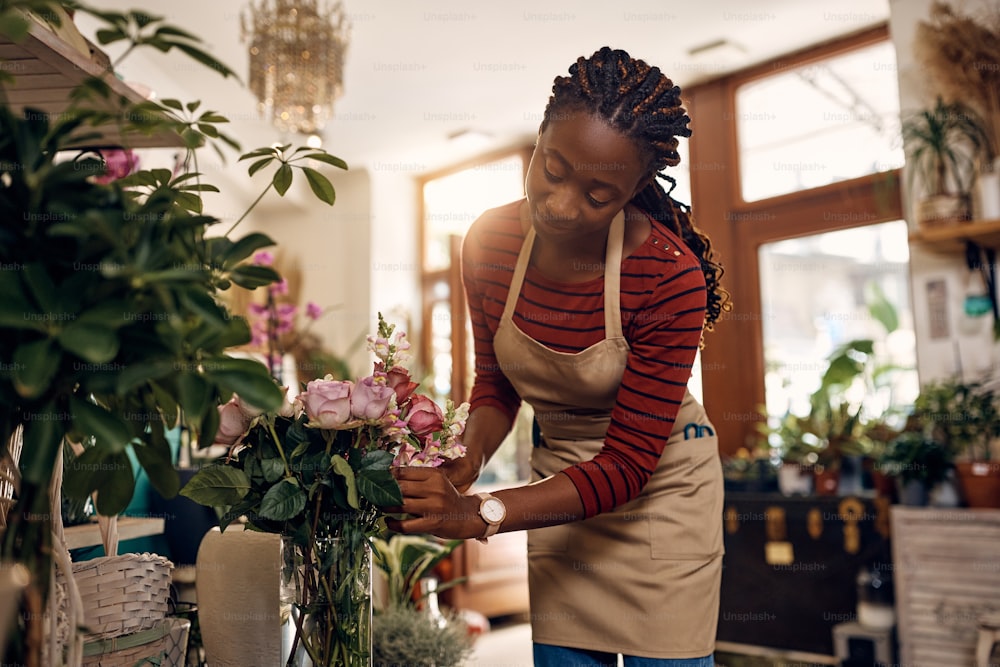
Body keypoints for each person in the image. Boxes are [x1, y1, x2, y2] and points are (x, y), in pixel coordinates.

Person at [389, 46, 731, 667]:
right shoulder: (489, 242)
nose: (562, 204)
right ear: (540, 136)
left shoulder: (666, 277)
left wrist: (479, 513)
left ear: (635, 189)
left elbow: (628, 463)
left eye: (600, 194)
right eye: (552, 168)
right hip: (559, 487)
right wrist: (461, 466)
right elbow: (496, 384)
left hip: (660, 488)